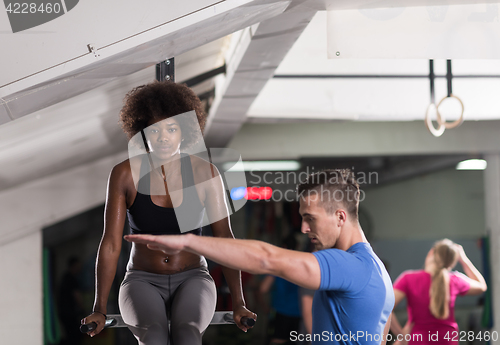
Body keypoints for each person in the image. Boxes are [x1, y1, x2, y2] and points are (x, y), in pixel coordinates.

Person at [125, 169, 395, 345]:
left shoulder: (350, 267)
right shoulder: (379, 272)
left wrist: (187, 241)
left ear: (340, 217)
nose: (303, 228)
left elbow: (267, 258)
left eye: (310, 219)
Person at [81, 81, 256, 345]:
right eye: (155, 129)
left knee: (187, 335)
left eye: (172, 128)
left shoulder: (205, 173)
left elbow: (224, 241)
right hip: (141, 279)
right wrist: (99, 307)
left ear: (184, 132)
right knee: (154, 336)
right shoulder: (125, 174)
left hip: (194, 276)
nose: (163, 137)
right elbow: (111, 244)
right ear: (143, 132)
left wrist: (239, 303)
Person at [390, 239, 487, 345]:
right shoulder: (455, 280)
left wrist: (401, 336)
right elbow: (482, 286)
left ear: (431, 252)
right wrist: (464, 260)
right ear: (451, 262)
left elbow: (386, 308)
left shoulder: (408, 279)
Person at [259, 235, 302, 345]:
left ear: (283, 246)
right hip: (299, 313)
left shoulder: (277, 265)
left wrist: (265, 308)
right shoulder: (302, 265)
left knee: (276, 340)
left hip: (279, 311)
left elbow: (263, 288)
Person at [58, 256, 85, 345]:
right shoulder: (71, 279)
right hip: (69, 313)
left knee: (71, 335)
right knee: (75, 336)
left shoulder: (65, 277)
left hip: (64, 312)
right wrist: (83, 309)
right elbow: (76, 295)